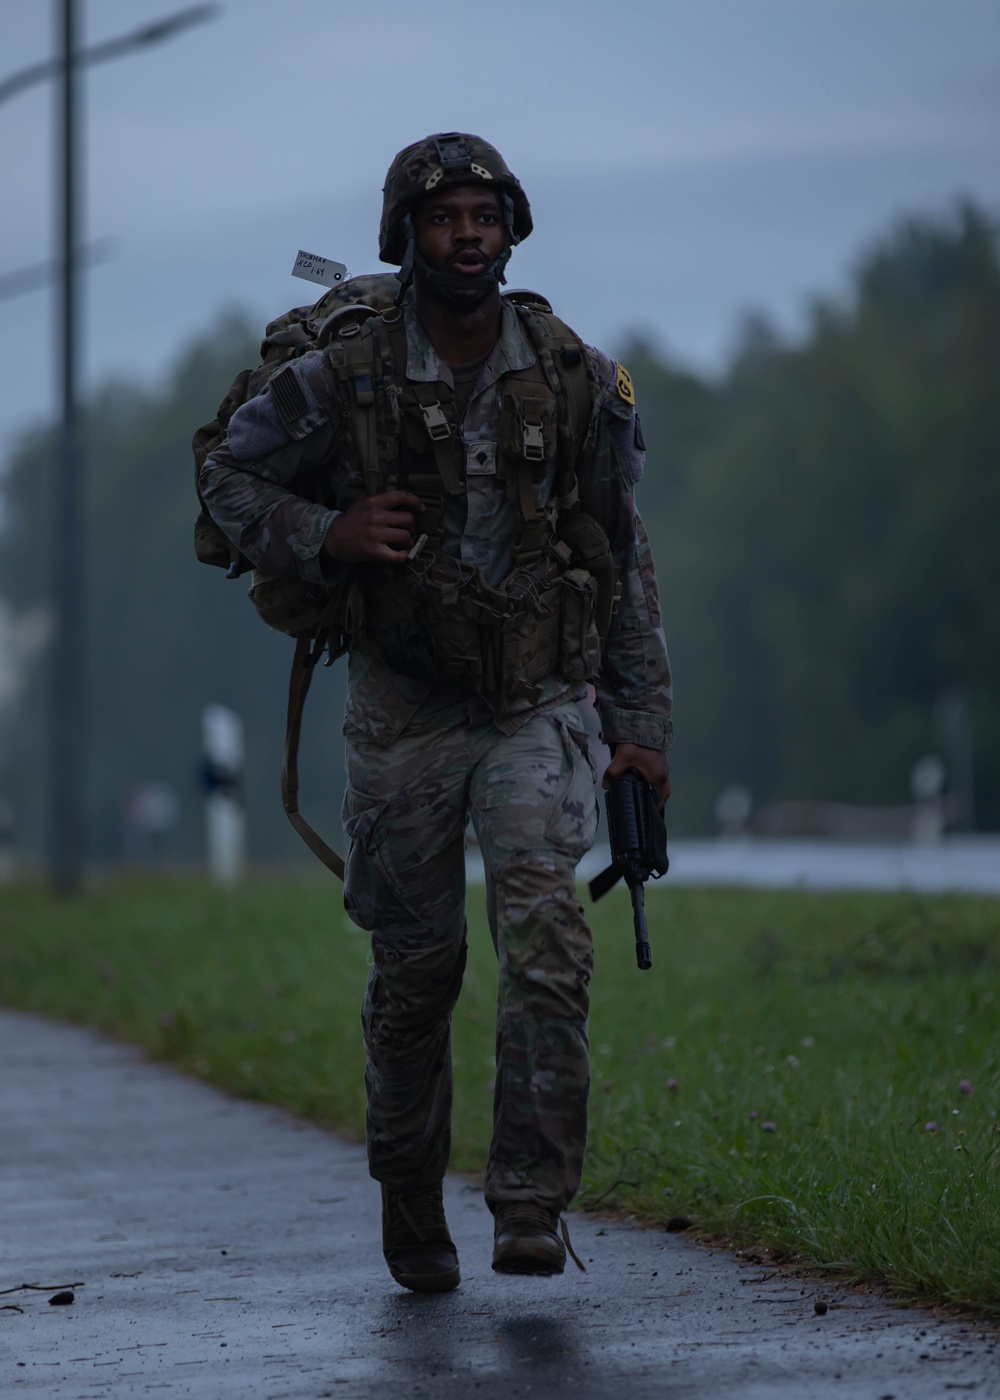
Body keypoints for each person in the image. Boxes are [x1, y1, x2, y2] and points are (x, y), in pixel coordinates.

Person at [199, 132, 672, 1292]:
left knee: (548, 937)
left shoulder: (569, 373)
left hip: (534, 704)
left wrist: (640, 723)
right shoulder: (344, 373)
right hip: (403, 708)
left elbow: (620, 552)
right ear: (403, 236)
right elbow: (226, 474)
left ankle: (528, 1199)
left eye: (484, 215)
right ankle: (410, 1196)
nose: (467, 235)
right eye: (444, 216)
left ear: (511, 230)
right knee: (416, 971)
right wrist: (329, 533)